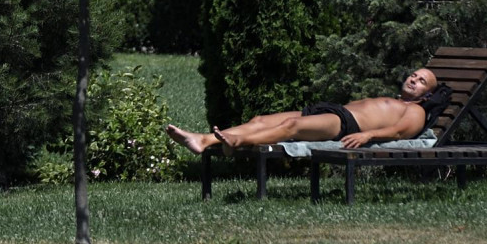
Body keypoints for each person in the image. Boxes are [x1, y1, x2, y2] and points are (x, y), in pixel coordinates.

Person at [166, 68, 450, 152]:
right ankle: (204, 139)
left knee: (291, 127)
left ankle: (238, 141)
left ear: (429, 94)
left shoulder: (417, 111)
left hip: (346, 124)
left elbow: (402, 132)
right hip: (333, 111)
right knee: (262, 119)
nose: (413, 79)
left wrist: (369, 136)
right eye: (413, 75)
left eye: (421, 80)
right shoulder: (398, 101)